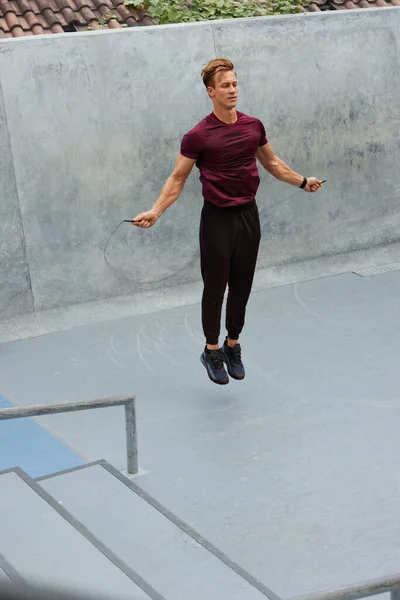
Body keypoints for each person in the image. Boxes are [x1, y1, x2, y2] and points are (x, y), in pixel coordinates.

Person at [132, 58, 323, 386]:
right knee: (216, 286)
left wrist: (303, 181)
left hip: (249, 216)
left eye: (235, 84)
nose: (233, 90)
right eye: (225, 85)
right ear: (211, 92)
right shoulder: (198, 136)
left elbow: (272, 162)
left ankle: (233, 344)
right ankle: (212, 349)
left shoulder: (253, 126)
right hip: (217, 219)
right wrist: (156, 210)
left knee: (242, 285)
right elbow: (177, 178)